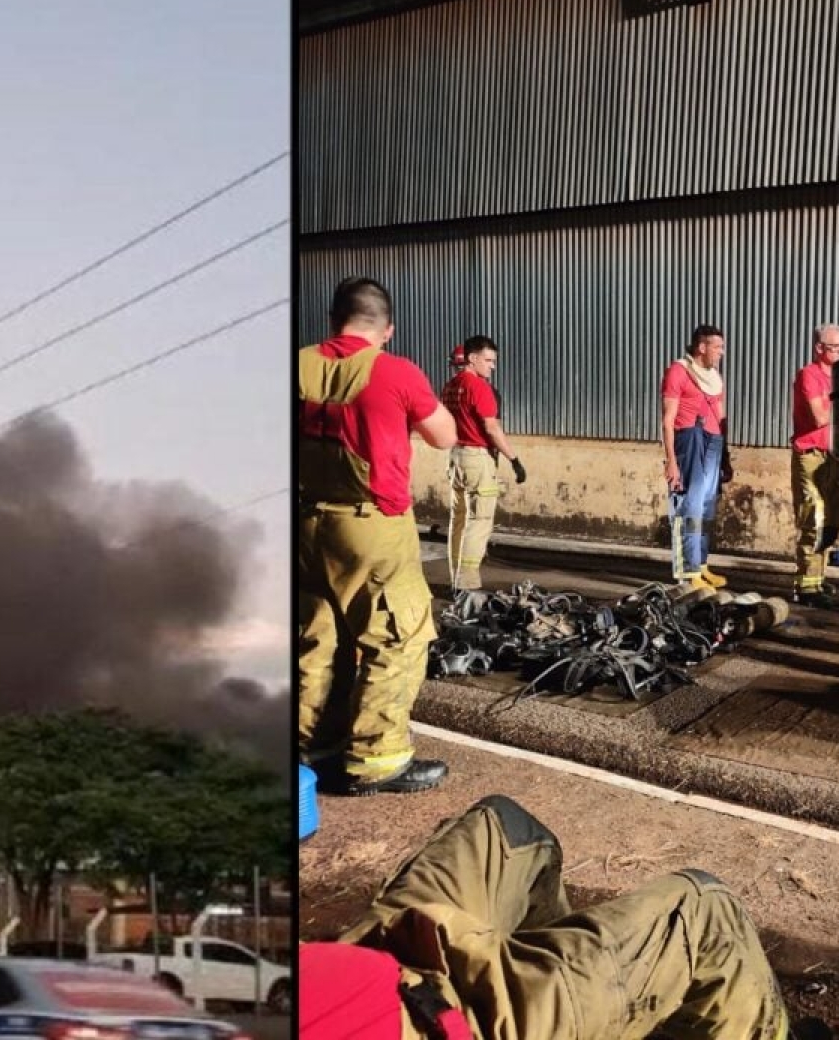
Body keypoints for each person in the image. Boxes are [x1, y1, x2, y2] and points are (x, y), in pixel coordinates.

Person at [299, 794, 829, 1040]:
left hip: (386, 958)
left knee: (504, 828)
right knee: (702, 910)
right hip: (442, 1020)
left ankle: (590, 1006)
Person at [298, 277, 457, 796]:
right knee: (397, 633)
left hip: (306, 523)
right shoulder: (395, 371)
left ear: (333, 321)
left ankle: (311, 747)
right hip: (371, 526)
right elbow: (444, 435)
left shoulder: (298, 365)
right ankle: (378, 757)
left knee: (320, 635)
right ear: (387, 329)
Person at [440, 336, 526, 591]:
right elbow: (492, 428)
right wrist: (514, 459)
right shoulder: (479, 387)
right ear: (472, 358)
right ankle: (468, 586)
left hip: (456, 457)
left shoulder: (450, 386)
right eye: (488, 360)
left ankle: (456, 578)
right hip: (478, 458)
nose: (492, 366)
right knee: (480, 521)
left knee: (458, 520)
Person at [661, 325, 734, 589]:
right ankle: (688, 571)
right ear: (701, 347)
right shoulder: (678, 371)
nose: (721, 353)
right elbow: (668, 421)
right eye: (717, 347)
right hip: (689, 437)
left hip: (713, 441)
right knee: (689, 506)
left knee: (706, 506)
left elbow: (721, 416)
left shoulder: (714, 376)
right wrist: (671, 460)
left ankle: (701, 565)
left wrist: (725, 456)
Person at [791, 324, 839, 608]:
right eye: (835, 347)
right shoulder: (809, 375)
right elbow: (820, 416)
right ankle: (805, 586)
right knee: (813, 518)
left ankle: (816, 579)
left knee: (830, 521)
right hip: (811, 455)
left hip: (832, 455)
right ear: (819, 348)